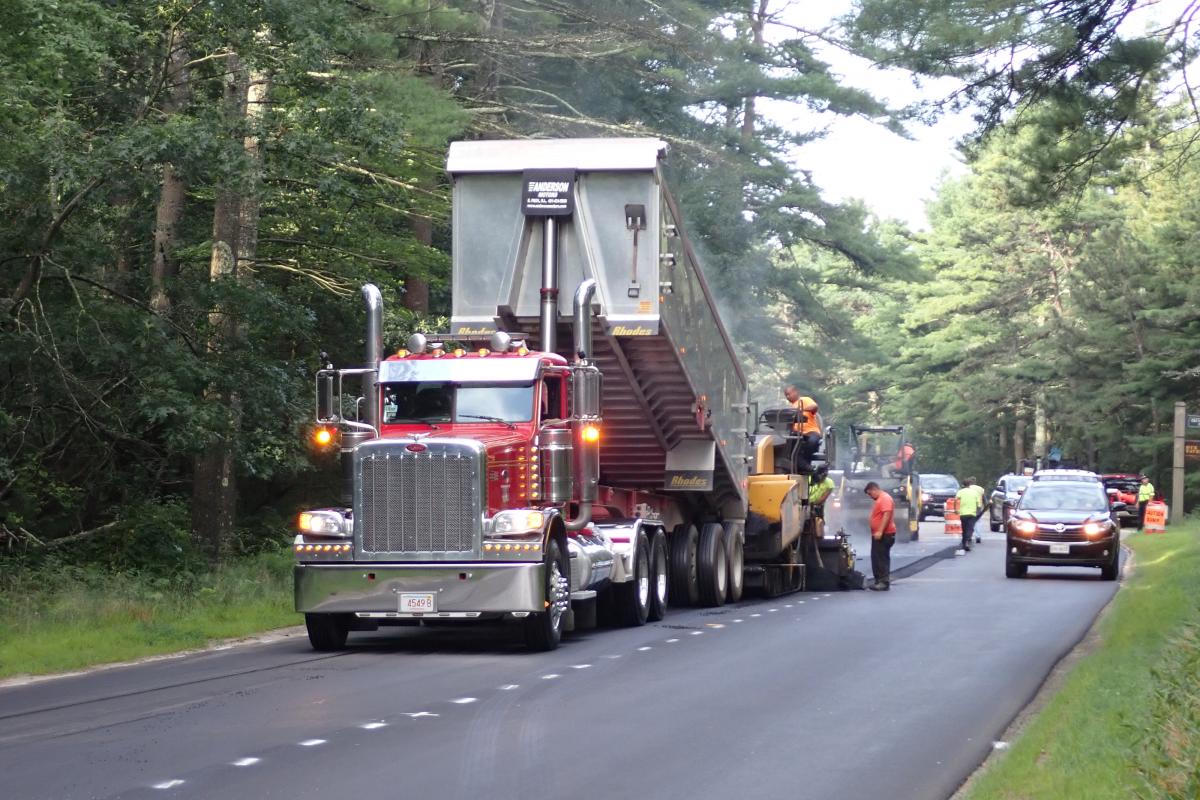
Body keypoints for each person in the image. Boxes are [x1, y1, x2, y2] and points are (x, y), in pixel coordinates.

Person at [864, 481, 896, 591]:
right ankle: (879, 580)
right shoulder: (881, 499)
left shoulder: (885, 498)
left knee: (881, 558)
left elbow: (886, 515)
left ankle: (883, 582)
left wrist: (880, 531)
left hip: (884, 534)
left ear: (874, 489)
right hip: (879, 534)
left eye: (870, 493)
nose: (870, 496)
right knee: (877, 557)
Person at [783, 385, 822, 473]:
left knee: (812, 442)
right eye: (786, 395)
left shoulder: (804, 400)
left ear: (796, 392)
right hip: (797, 434)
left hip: (811, 432)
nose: (788, 397)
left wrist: (801, 410)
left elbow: (814, 407)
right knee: (788, 447)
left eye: (789, 394)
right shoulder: (790, 408)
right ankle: (805, 466)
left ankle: (806, 464)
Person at [808, 465, 836, 537]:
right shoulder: (809, 479)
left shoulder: (829, 483)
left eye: (824, 477)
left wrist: (812, 504)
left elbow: (823, 498)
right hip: (805, 505)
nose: (822, 479)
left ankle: (819, 537)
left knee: (819, 522)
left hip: (817, 507)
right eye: (821, 476)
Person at [954, 478, 981, 551]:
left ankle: (964, 543)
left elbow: (955, 500)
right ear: (970, 485)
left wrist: (955, 509)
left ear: (963, 485)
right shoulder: (975, 492)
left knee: (964, 528)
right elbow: (978, 504)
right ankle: (967, 542)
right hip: (972, 514)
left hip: (963, 513)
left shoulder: (960, 492)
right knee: (970, 529)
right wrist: (977, 512)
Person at [967, 476, 987, 544]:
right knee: (978, 522)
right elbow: (984, 500)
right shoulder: (981, 489)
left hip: (969, 507)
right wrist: (985, 508)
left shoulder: (967, 488)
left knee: (969, 522)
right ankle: (978, 536)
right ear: (975, 482)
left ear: (969, 482)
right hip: (978, 507)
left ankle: (969, 536)